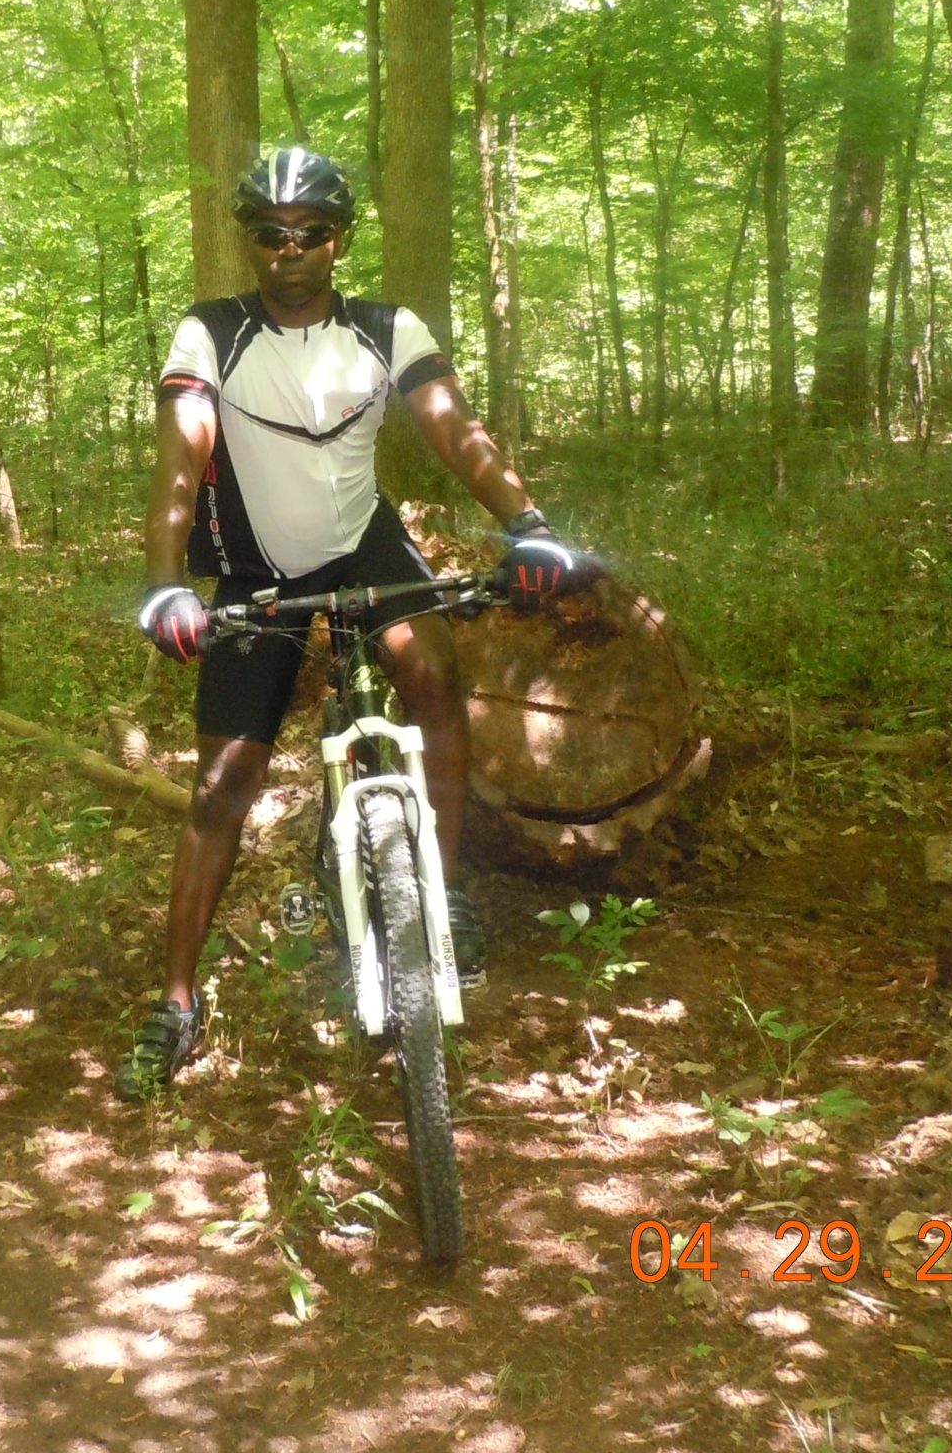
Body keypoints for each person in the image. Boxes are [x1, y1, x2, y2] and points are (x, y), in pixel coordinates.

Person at [116, 146, 594, 1100]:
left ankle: (442, 894)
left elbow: (454, 429)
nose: (290, 251)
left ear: (341, 241)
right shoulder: (211, 331)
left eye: (313, 234)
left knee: (433, 678)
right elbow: (181, 458)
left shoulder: (386, 326)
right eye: (269, 234)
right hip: (256, 565)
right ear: (247, 241)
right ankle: (175, 1003)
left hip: (364, 544)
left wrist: (528, 526)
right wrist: (167, 583)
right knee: (223, 784)